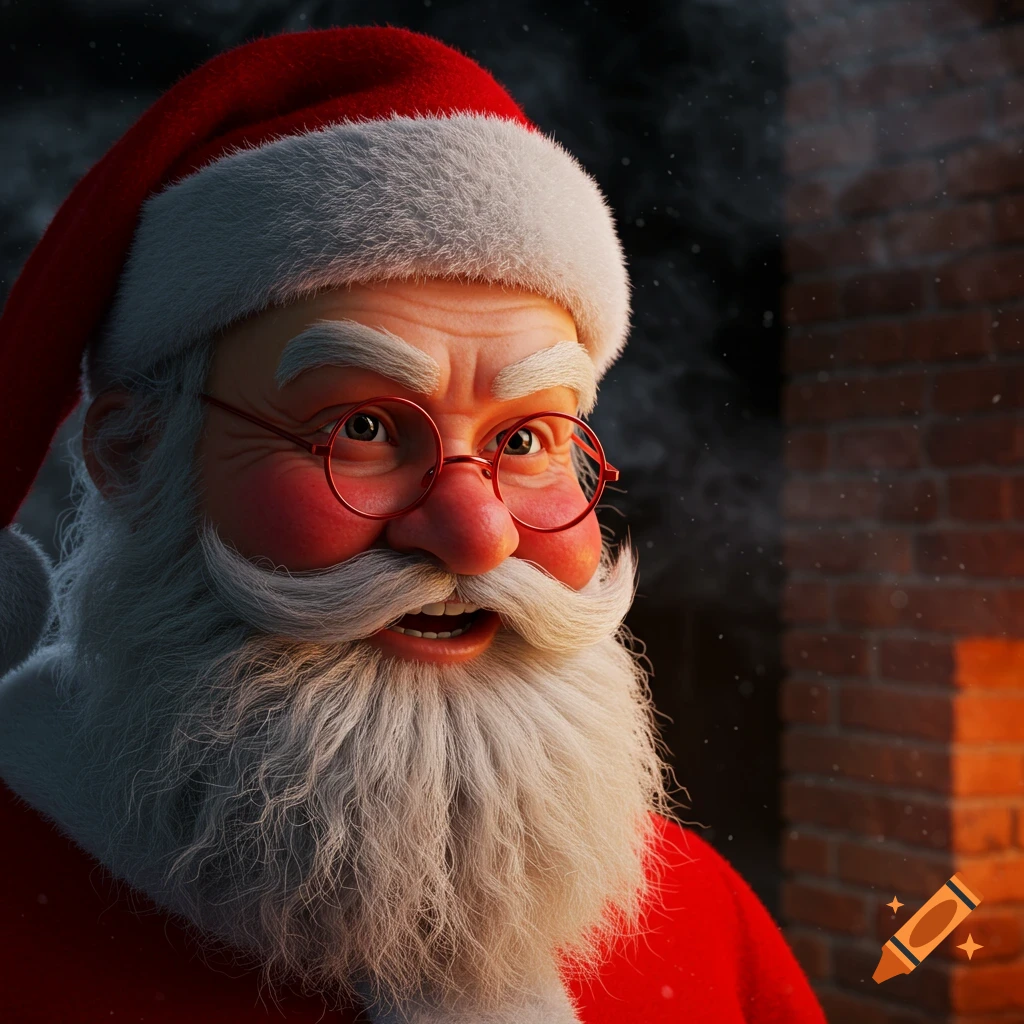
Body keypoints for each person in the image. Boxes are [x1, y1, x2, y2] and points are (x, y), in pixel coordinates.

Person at [0, 26, 825, 1024]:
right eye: (363, 427)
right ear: (132, 457)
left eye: (526, 439)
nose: (477, 536)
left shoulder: (700, 918)